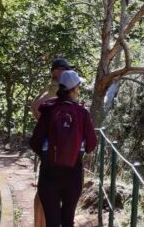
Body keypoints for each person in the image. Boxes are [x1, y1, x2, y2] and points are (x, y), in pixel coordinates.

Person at [30, 70, 98, 227]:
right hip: (73, 175)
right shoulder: (82, 112)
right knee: (67, 221)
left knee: (52, 223)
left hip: (49, 173)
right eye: (78, 87)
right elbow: (91, 145)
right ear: (73, 89)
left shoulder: (48, 110)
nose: (79, 90)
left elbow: (34, 142)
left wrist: (47, 156)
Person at [31, 57, 75, 227]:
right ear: (58, 72)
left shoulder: (51, 87)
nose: (70, 74)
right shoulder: (57, 89)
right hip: (56, 151)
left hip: (48, 148)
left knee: (45, 191)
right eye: (67, 70)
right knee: (52, 195)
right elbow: (38, 106)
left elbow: (35, 105)